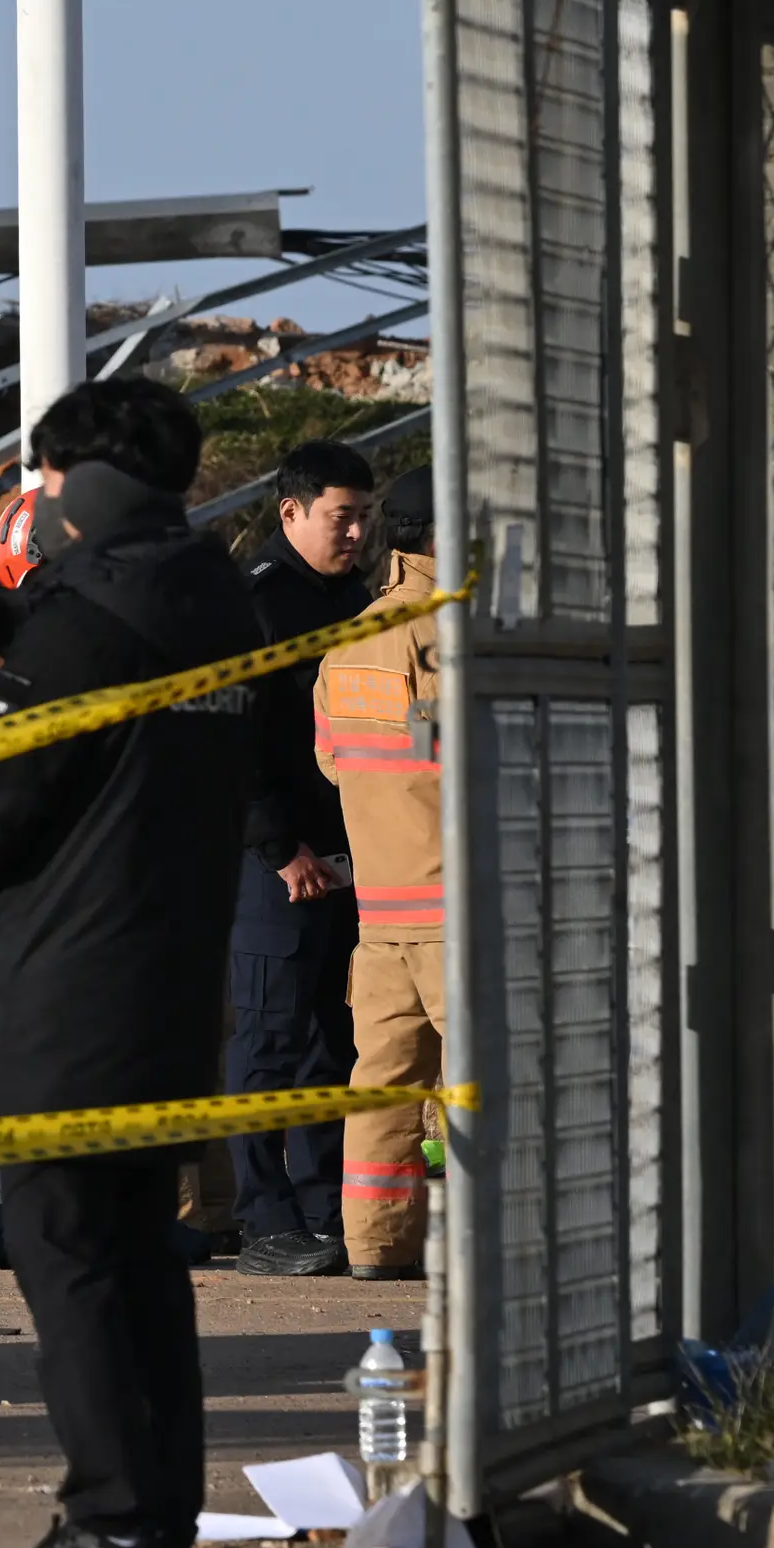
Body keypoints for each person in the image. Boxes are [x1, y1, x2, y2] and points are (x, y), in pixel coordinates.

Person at [0, 377, 261, 1548]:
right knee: (141, 1261)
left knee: (70, 1255)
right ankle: (152, 1518)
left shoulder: (90, 615)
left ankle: (115, 1521)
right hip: (170, 976)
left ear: (78, 478)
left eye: (46, 477)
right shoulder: (222, 602)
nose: (39, 501)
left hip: (68, 981)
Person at [228, 440, 377, 1277]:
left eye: (364, 517)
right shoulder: (256, 605)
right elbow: (234, 742)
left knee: (332, 1038)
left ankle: (324, 1207)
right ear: (292, 513)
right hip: (275, 866)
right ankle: (263, 1220)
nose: (355, 532)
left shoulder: (355, 600)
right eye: (340, 517)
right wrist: (281, 851)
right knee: (266, 1040)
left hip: (349, 855)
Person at [315, 467, 444, 1283]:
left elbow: (334, 761)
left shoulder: (349, 638)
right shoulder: (446, 634)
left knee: (383, 1086)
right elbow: (462, 756)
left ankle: (375, 1245)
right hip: (458, 905)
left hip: (382, 912)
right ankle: (498, 1249)